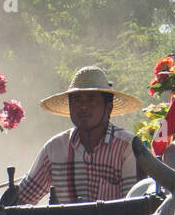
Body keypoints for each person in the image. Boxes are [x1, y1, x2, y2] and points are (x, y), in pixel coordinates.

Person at [14, 66, 142, 206]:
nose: (83, 106)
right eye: (77, 100)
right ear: (70, 107)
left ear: (108, 108)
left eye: (91, 99)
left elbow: (134, 205)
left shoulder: (126, 147)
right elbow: (21, 199)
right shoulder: (55, 148)